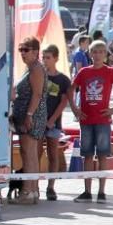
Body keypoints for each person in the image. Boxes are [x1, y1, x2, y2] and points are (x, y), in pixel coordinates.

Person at [70, 41, 113, 202]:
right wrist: (75, 109)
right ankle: (87, 191)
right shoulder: (83, 72)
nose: (97, 55)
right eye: (94, 52)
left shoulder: (110, 72)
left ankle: (102, 192)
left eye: (100, 52)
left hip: (103, 121)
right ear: (90, 54)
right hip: (86, 120)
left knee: (103, 156)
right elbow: (70, 90)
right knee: (87, 156)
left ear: (105, 54)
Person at [9, 37, 48, 204]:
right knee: (29, 153)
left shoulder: (36, 69)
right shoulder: (30, 68)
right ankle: (32, 190)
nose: (22, 53)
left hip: (31, 116)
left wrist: (29, 115)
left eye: (26, 50)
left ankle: (27, 191)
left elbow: (37, 94)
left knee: (29, 153)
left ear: (35, 51)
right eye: (21, 50)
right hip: (26, 115)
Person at [41, 45, 71, 201]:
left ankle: (50, 187)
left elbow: (64, 101)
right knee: (36, 153)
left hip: (53, 123)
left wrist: (51, 120)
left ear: (56, 58)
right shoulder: (39, 75)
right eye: (43, 57)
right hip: (38, 122)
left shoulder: (63, 79)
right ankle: (33, 186)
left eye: (48, 57)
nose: (45, 60)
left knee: (53, 154)